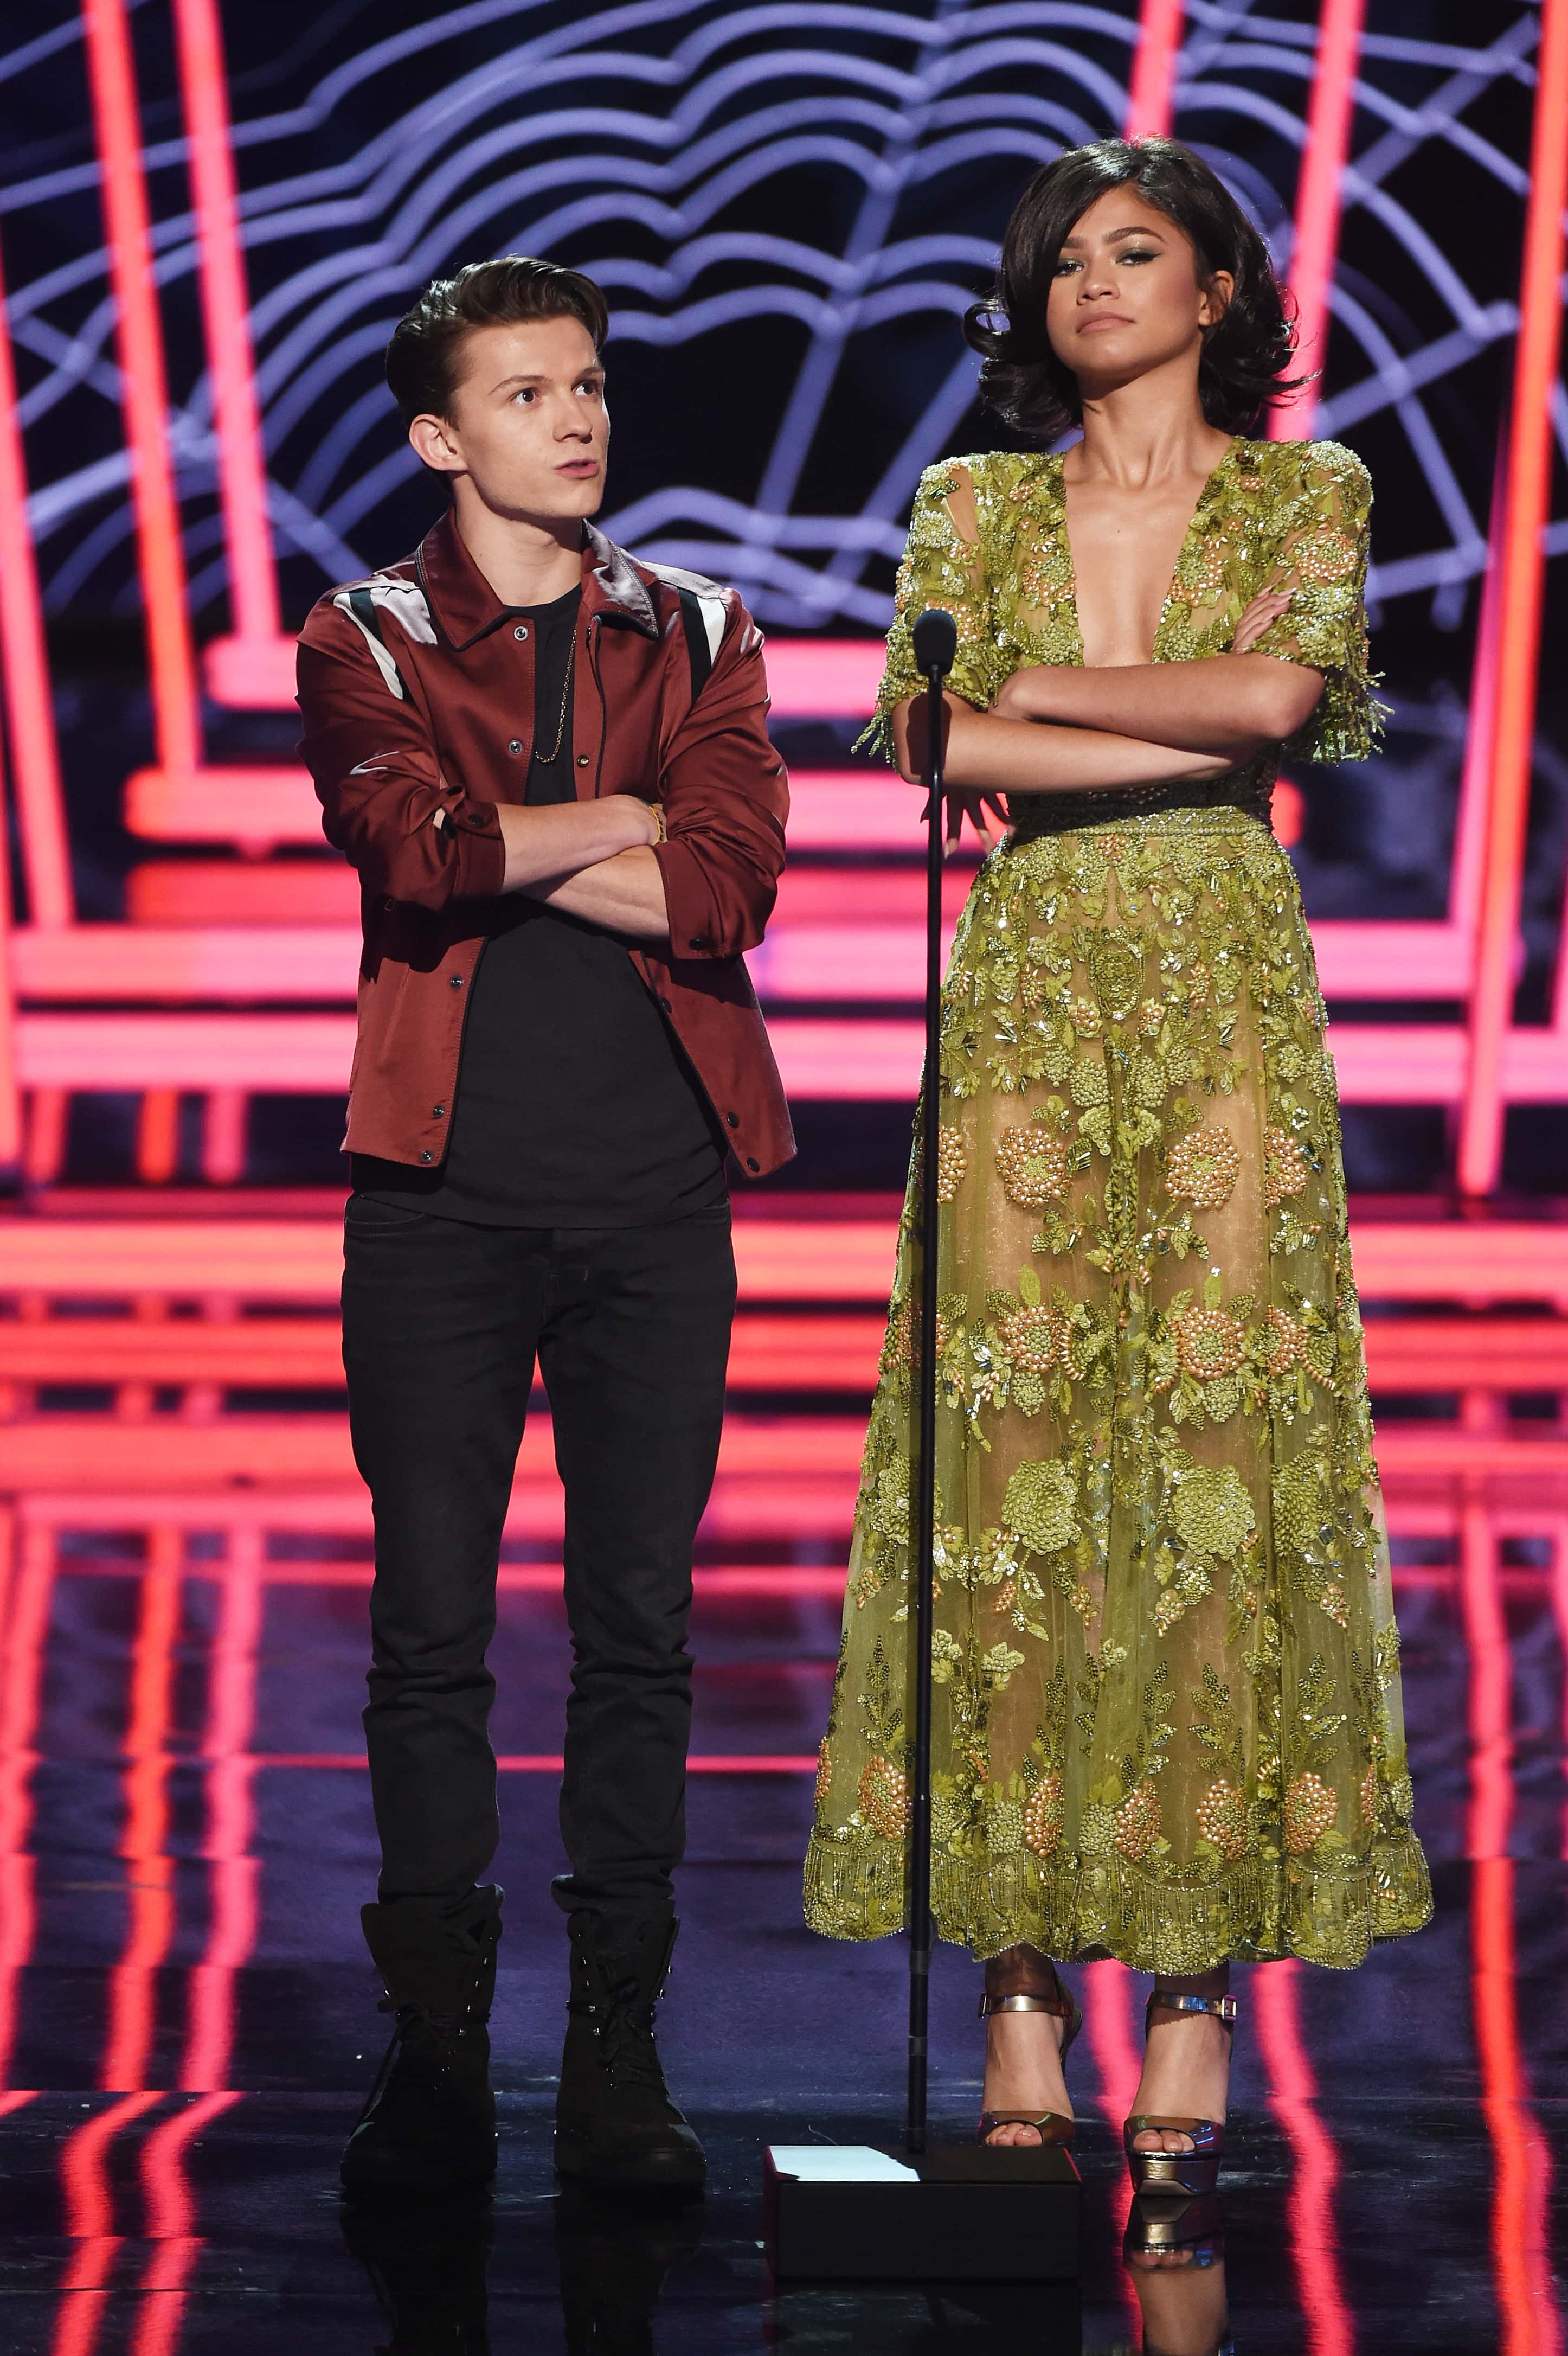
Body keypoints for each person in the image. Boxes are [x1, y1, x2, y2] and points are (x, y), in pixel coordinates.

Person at [804, 138, 1431, 2193]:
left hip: (1224, 987)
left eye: (1134, 253)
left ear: (1222, 291)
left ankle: (1185, 1997)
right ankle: (1010, 1990)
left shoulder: (1301, 492)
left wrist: (1023, 692)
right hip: (1030, 987)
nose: (1091, 286)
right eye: (1061, 260)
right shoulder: (974, 499)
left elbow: (1272, 699)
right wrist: (1110, 722)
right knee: (1004, 1465)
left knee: (1213, 1463)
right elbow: (923, 739)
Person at [296, 255, 793, 2196]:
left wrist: (542, 829)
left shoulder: (703, 620)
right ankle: (433, 2054)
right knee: (427, 1636)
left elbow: (729, 895)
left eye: (586, 384)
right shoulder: (369, 631)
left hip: (658, 1196)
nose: (575, 418)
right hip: (439, 1199)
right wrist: (623, 822)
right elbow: (417, 851)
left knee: (639, 1634)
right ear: (442, 434)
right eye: (525, 394)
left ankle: (616, 2054)